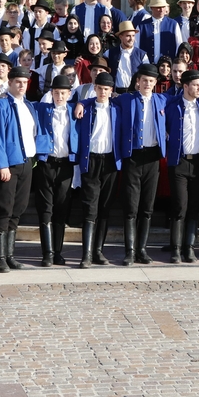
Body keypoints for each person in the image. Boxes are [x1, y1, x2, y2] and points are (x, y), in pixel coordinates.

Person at [111, 63, 168, 265]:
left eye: (151, 81)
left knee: (147, 206)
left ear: (155, 83)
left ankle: (142, 249)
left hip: (152, 158)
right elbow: (104, 99)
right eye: (144, 80)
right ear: (138, 81)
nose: (147, 84)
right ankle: (130, 250)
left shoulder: (162, 100)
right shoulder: (127, 99)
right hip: (133, 157)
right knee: (131, 207)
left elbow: (187, 97)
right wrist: (83, 103)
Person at [0, 65, 40, 272]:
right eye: (18, 82)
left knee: (18, 209)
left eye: (25, 82)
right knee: (4, 209)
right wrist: (2, 165)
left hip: (26, 163)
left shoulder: (29, 105)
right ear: (9, 83)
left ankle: (10, 255)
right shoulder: (0, 106)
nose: (22, 85)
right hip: (9, 164)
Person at [163, 70, 199, 263]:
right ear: (185, 86)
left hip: (198, 162)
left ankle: (189, 247)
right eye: (196, 85)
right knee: (179, 206)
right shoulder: (172, 105)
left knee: (194, 206)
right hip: (179, 162)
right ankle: (176, 249)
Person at [75, 71, 120, 268]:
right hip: (91, 160)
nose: (103, 92)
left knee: (105, 207)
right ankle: (86, 253)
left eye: (106, 89)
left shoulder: (117, 107)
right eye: (100, 88)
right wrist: (82, 102)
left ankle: (98, 251)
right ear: (94, 88)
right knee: (90, 208)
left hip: (110, 161)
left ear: (111, 90)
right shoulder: (87, 107)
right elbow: (70, 104)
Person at [33, 75, 78, 267]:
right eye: (56, 93)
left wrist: (82, 103)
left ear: (69, 94)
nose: (59, 96)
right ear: (51, 93)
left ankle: (57, 251)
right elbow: (25, 104)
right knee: (45, 209)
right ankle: (47, 253)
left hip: (66, 165)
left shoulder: (74, 110)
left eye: (63, 93)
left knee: (61, 207)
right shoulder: (42, 108)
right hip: (46, 163)